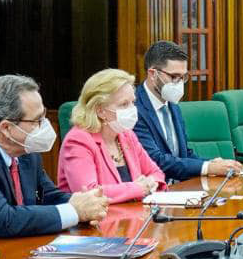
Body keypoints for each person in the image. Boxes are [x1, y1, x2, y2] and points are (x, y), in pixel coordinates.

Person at [0, 75, 109, 238]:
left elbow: (46, 195)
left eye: (44, 116)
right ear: (6, 128)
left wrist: (86, 204)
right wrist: (74, 211)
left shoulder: (24, 148)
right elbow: (4, 221)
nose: (44, 126)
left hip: (20, 251)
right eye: (37, 120)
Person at [133, 40, 242, 182]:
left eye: (183, 77)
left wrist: (215, 164)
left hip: (181, 189)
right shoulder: (134, 108)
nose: (179, 83)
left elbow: (183, 154)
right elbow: (155, 160)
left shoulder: (173, 105)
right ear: (153, 74)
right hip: (153, 192)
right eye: (173, 77)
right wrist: (207, 167)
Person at [58, 68, 167, 204]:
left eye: (133, 102)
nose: (132, 109)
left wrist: (150, 183)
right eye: (124, 104)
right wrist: (138, 188)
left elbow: (156, 173)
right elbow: (89, 194)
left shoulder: (126, 135)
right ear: (100, 111)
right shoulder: (78, 141)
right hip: (93, 223)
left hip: (131, 217)